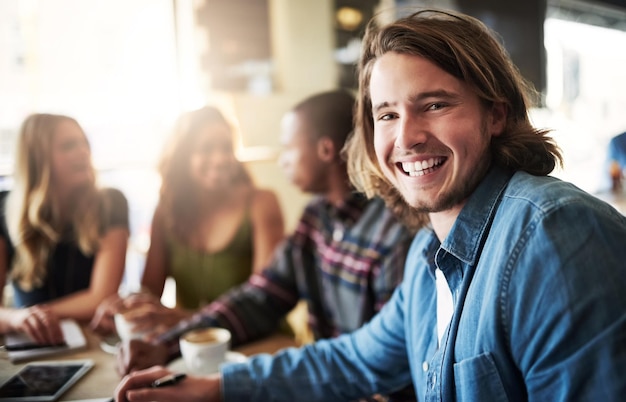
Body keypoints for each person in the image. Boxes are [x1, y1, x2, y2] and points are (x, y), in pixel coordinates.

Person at [115, 8, 626, 402]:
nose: (407, 137)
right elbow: (354, 359)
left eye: (434, 104)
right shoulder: (429, 253)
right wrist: (217, 387)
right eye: (387, 114)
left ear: (495, 115)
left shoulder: (554, 234)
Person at [115, 90, 416, 400]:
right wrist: (165, 345)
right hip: (328, 383)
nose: (281, 159)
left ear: (325, 150)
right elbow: (261, 297)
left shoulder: (393, 234)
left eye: (287, 148)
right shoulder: (316, 218)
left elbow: (383, 363)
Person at [90, 106, 285, 336]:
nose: (221, 158)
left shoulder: (261, 203)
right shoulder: (166, 211)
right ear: (182, 158)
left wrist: (182, 317)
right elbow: (150, 291)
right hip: (194, 341)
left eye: (226, 148)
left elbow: (261, 303)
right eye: (206, 149)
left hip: (258, 340)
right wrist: (126, 304)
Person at [0, 113, 129, 345]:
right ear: (36, 157)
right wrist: (16, 318)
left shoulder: (111, 203)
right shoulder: (3, 208)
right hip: (30, 343)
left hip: (92, 340)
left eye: (84, 143)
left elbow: (101, 297)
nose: (83, 151)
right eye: (69, 145)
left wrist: (35, 316)